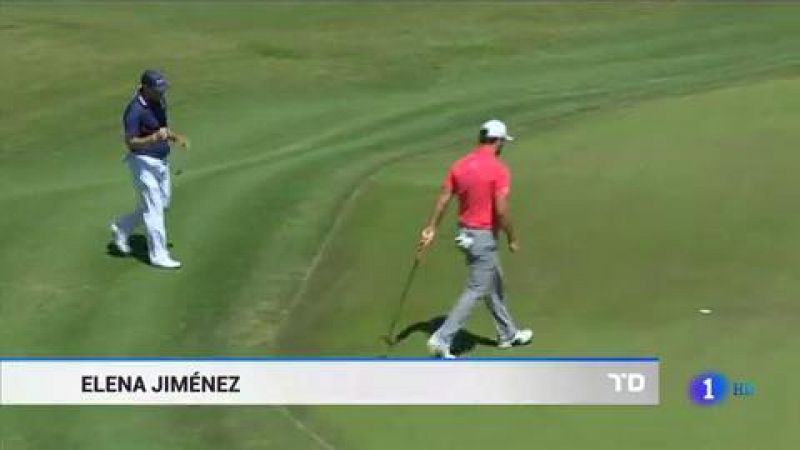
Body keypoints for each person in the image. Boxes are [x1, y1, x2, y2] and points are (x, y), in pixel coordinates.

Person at [417, 119, 532, 359]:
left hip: (465, 233)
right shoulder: (498, 169)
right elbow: (501, 210)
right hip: (482, 237)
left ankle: (507, 333)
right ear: (498, 141)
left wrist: (431, 228)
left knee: (493, 281)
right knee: (477, 287)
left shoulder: (460, 165)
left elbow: (443, 198)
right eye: (503, 142)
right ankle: (442, 338)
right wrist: (512, 237)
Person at [110, 70, 189, 269]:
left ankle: (122, 227)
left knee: (162, 203)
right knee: (154, 209)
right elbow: (131, 142)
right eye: (157, 89)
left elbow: (161, 127)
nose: (162, 93)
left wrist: (174, 136)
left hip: (161, 161)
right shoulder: (134, 110)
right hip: (142, 162)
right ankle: (159, 255)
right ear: (145, 88)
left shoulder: (159, 102)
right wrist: (153, 139)